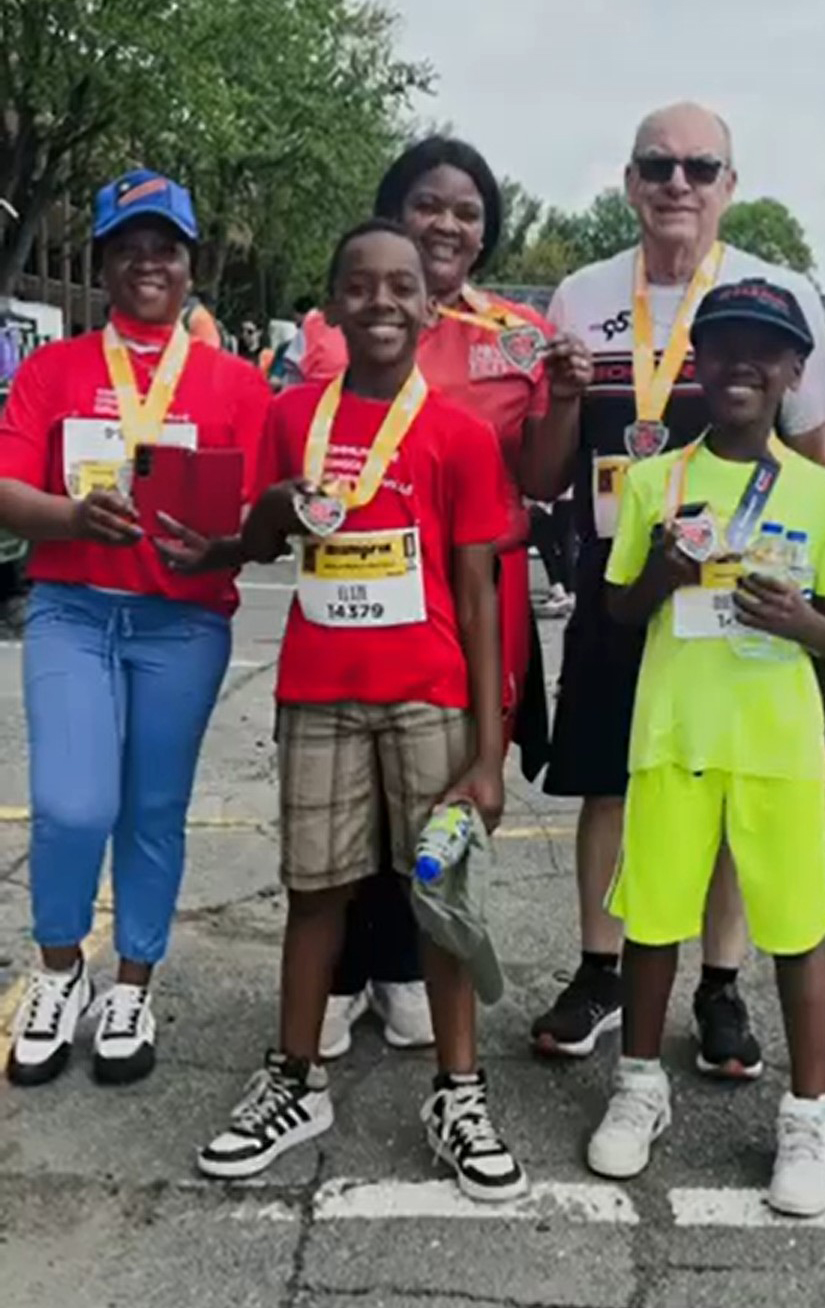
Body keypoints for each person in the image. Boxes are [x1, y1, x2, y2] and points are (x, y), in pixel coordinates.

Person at [198, 219, 528, 1202]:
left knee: (444, 900)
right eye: (359, 286)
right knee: (315, 892)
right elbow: (258, 533)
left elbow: (477, 595)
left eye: (403, 287)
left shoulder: (460, 435)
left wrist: (489, 746)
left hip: (429, 698)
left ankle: (459, 1092)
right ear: (333, 303)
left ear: (433, 307)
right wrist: (272, 511)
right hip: (320, 694)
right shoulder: (293, 412)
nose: (382, 301)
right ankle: (295, 1080)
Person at [534, 102, 825, 1072]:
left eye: (699, 168)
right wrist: (569, 395)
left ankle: (720, 985)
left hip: (743, 596)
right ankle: (599, 967)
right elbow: (544, 468)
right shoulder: (581, 293)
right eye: (656, 167)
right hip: (621, 573)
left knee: (724, 784)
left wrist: (808, 608)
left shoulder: (780, 289)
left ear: (728, 186)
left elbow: (814, 450)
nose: (677, 184)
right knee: (609, 787)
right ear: (628, 182)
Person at [318, 137, 591, 1060]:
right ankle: (344, 969)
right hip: (366, 587)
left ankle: (403, 964)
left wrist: (559, 402)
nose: (446, 223)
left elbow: (543, 480)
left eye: (467, 212)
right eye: (429, 203)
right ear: (395, 210)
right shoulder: (345, 322)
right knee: (349, 778)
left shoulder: (512, 335)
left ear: (486, 234)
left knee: (447, 790)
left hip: (481, 593)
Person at [589, 279, 825, 1215]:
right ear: (695, 363)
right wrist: (660, 573)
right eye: (724, 346)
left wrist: (801, 621)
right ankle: (637, 1089)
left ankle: (809, 1116)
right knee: (654, 919)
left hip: (779, 746)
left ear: (794, 370)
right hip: (672, 737)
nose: (743, 363)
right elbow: (618, 611)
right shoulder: (656, 480)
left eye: (766, 349)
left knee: (796, 930)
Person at [0, 168, 270, 1086]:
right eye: (129, 246)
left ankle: (132, 985)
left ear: (191, 265)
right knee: (74, 806)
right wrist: (71, 520)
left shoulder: (238, 385)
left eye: (166, 247)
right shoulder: (53, 368)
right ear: (105, 260)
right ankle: (60, 970)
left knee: (153, 811)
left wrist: (225, 545)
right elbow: (7, 493)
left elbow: (264, 517)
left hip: (183, 622)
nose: (147, 262)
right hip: (75, 612)